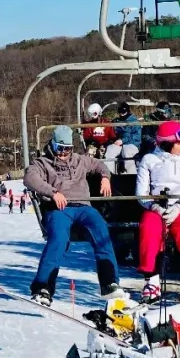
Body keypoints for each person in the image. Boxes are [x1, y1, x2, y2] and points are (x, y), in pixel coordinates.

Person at [24, 125, 121, 304]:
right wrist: (53, 192)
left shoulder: (80, 160)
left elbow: (99, 165)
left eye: (67, 149)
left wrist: (105, 177)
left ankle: (109, 282)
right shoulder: (43, 163)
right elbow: (30, 178)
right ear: (52, 145)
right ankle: (43, 286)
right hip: (59, 208)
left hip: (84, 207)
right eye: (59, 148)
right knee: (58, 240)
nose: (63, 153)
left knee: (102, 232)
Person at [135, 121, 180, 303]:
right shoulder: (149, 160)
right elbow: (141, 193)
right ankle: (151, 280)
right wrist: (155, 206)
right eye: (179, 142)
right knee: (148, 229)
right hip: (157, 205)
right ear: (167, 142)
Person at [105, 103, 142, 174]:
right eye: (120, 112)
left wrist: (123, 140)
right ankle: (109, 175)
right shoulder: (116, 121)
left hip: (131, 144)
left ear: (127, 111)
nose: (121, 114)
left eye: (123, 112)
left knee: (127, 152)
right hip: (119, 143)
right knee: (110, 150)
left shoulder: (134, 122)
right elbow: (110, 131)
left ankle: (131, 176)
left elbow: (137, 137)